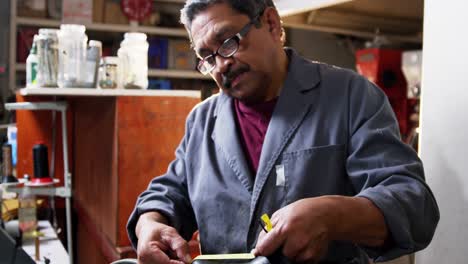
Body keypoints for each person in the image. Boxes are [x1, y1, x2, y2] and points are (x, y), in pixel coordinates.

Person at [127, 0, 440, 263]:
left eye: (227, 43)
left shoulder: (351, 97)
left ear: (272, 23)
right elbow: (169, 192)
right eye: (207, 58)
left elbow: (413, 204)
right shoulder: (202, 121)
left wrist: (332, 215)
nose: (220, 65)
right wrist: (150, 222)